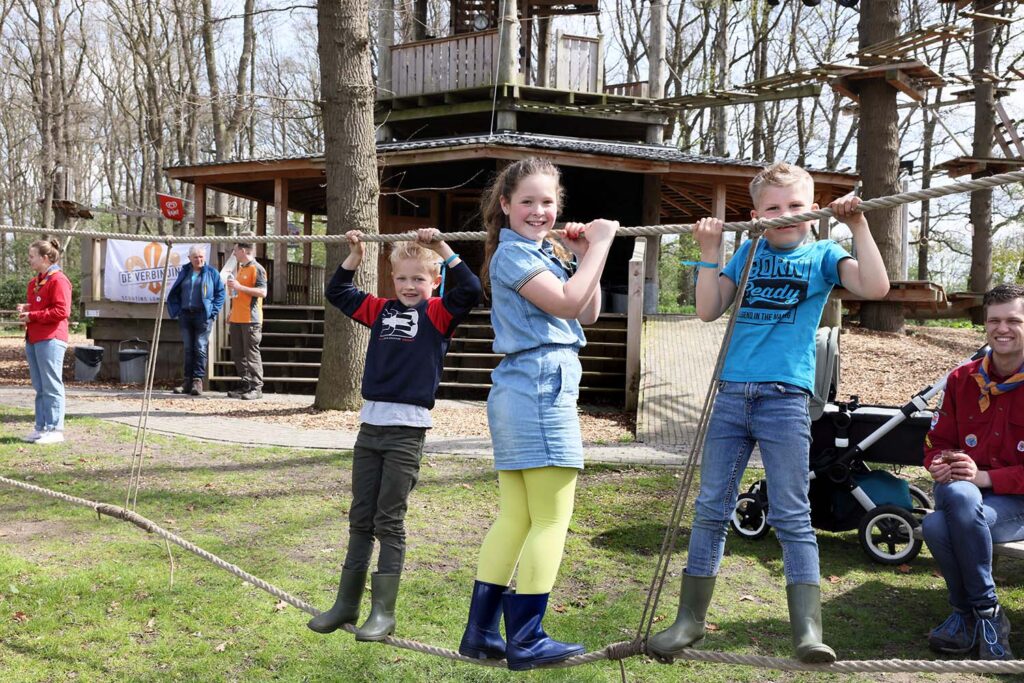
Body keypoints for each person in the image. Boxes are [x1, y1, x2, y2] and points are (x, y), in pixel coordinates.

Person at [647, 162, 889, 664]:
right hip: (732, 394)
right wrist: (709, 255)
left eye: (797, 206)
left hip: (785, 398)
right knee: (711, 507)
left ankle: (807, 629)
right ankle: (690, 620)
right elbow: (709, 309)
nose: (785, 215)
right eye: (773, 208)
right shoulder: (750, 251)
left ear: (814, 209)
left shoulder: (825, 254)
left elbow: (874, 287)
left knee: (792, 512)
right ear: (756, 214)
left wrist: (859, 225)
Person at [457, 157, 617, 671]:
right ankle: (526, 637)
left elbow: (586, 309)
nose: (539, 210)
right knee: (551, 517)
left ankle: (481, 633)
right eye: (527, 200)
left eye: (548, 201)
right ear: (504, 206)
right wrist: (605, 244)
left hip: (523, 388)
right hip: (538, 387)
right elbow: (570, 305)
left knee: (520, 516)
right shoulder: (513, 257)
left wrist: (582, 254)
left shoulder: (539, 253)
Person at [308, 228, 481, 641]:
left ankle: (383, 612)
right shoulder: (380, 311)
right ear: (392, 279)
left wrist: (441, 248)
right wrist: (354, 255)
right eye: (402, 278)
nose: (408, 286)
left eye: (418, 279)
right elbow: (338, 292)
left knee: (389, 520)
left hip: (407, 431)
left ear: (433, 282)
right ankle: (346, 602)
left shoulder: (438, 313)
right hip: (370, 427)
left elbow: (471, 288)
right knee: (360, 515)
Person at [921, 283, 1024, 661]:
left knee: (936, 525)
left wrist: (983, 477)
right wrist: (944, 462)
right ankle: (988, 614)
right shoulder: (962, 379)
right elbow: (935, 442)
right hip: (971, 503)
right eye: (994, 320)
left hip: (1018, 502)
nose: (1003, 328)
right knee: (958, 495)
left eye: (1014, 320)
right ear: (984, 325)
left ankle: (966, 615)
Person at [18, 238, 73, 445]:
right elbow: (39, 307)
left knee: (51, 384)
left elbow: (62, 311)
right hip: (33, 337)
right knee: (39, 385)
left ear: (45, 258)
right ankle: (41, 427)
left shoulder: (58, 280)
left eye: (32, 257)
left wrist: (34, 316)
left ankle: (55, 428)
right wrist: (26, 309)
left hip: (51, 338)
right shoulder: (34, 283)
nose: (29, 260)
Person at [166, 246, 225, 396]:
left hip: (203, 316)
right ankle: (187, 381)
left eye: (201, 257)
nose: (199, 260)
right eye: (195, 257)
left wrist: (213, 312)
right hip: (185, 315)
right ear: (190, 259)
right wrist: (178, 309)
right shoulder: (185, 272)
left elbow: (220, 293)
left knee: (199, 347)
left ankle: (197, 381)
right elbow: (176, 292)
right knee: (188, 348)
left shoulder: (211, 273)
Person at [225, 242, 266, 400]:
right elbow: (238, 293)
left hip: (251, 320)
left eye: (235, 250)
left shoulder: (258, 269)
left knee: (251, 354)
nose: (233, 254)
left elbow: (262, 292)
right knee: (238, 353)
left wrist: (239, 287)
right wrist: (231, 311)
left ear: (242, 250)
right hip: (237, 318)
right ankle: (245, 384)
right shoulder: (241, 268)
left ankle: (257, 387)